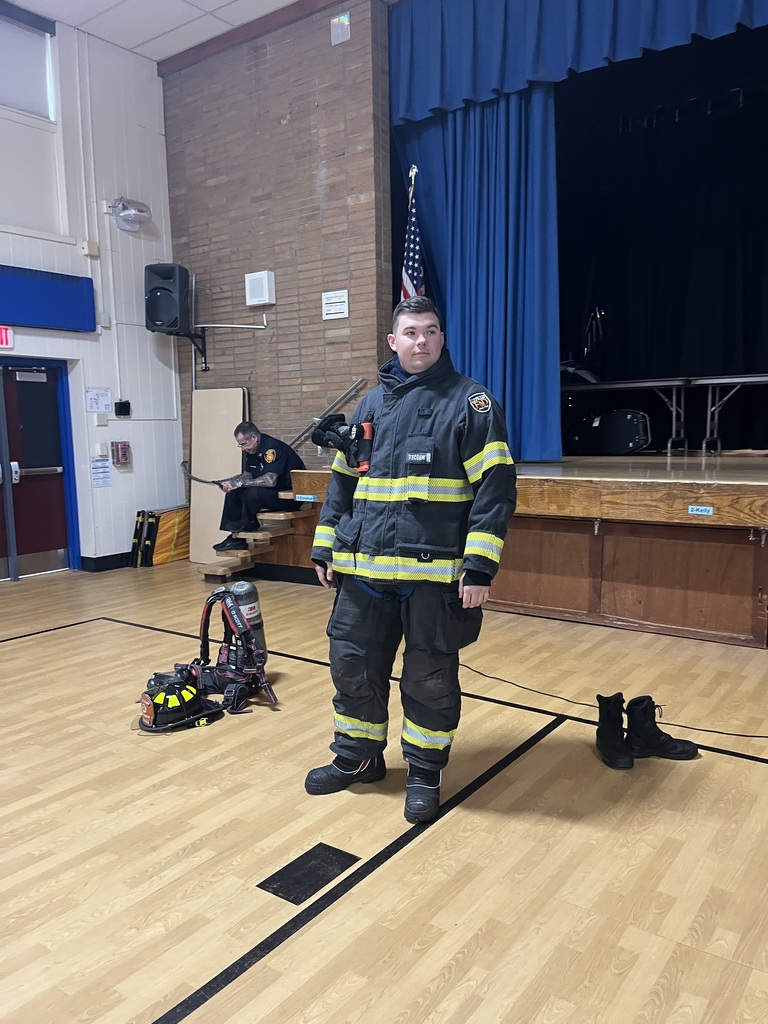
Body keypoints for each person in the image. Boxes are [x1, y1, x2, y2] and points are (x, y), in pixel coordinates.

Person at [306, 296, 517, 823]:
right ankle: (358, 759)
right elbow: (342, 483)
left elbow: (495, 489)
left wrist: (480, 566)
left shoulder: (470, 403)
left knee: (429, 678)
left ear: (441, 339)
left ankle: (424, 772)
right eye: (411, 332)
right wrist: (325, 546)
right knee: (352, 666)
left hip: (434, 578)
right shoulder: (371, 405)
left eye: (430, 331)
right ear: (393, 341)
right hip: (364, 576)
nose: (420, 341)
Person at [213, 421, 305, 551]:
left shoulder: (272, 449)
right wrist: (232, 484)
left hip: (290, 498)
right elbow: (248, 475)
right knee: (234, 492)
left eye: (244, 444)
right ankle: (235, 537)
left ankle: (249, 523)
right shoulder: (251, 451)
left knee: (253, 493)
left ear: (254, 438)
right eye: (240, 446)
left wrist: (240, 483)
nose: (243, 448)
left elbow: (270, 480)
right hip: (271, 493)